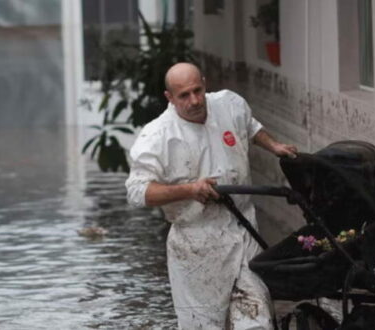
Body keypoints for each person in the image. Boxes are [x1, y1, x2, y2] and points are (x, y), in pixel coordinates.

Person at [125, 62, 297, 329]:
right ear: (169, 98)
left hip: (243, 229)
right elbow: (137, 191)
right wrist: (190, 190)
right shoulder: (156, 136)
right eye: (184, 95)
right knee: (203, 325)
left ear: (204, 84)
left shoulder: (229, 104)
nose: (194, 101)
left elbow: (251, 127)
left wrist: (274, 146)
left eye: (198, 90)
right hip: (197, 244)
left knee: (257, 321)